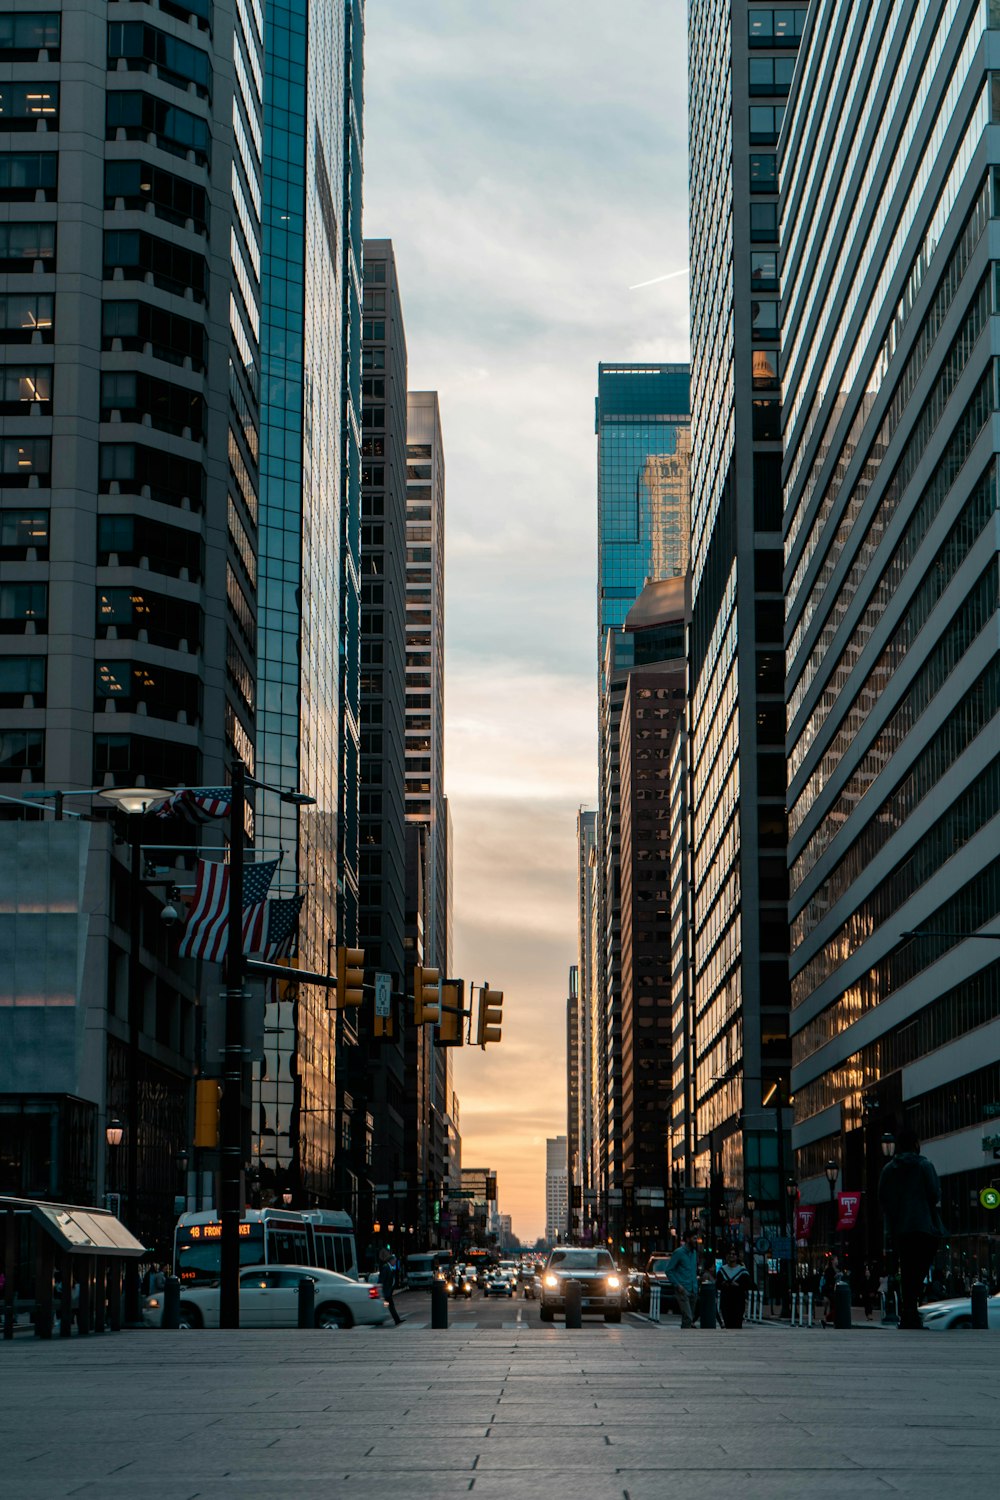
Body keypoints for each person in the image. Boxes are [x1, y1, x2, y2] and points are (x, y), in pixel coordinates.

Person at [878, 1125, 943, 1330]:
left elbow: (882, 1197)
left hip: (901, 1227)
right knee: (919, 1267)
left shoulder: (889, 1169)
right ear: (916, 1144)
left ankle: (908, 1310)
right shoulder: (924, 1165)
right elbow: (934, 1194)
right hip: (923, 1225)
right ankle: (910, 1309)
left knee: (907, 1267)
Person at [665, 1229, 700, 1328]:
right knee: (688, 1316)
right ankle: (685, 1336)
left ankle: (685, 1337)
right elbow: (669, 1270)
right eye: (694, 1238)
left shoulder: (694, 1253)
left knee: (688, 1318)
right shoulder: (679, 1252)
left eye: (696, 1238)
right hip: (683, 1289)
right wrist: (677, 1285)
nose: (696, 1241)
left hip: (693, 1289)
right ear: (688, 1239)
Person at [716, 1248, 751, 1329]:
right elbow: (717, 1284)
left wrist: (738, 1285)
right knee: (728, 1323)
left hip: (738, 1300)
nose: (731, 1256)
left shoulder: (742, 1271)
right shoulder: (722, 1270)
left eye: (734, 1254)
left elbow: (748, 1285)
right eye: (730, 1254)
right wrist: (723, 1284)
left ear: (737, 1257)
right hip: (726, 1300)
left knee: (737, 1323)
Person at [378, 1249, 403, 1325]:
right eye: (394, 1261)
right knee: (388, 1306)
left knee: (387, 1306)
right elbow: (382, 1280)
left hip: (387, 1292)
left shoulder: (389, 1267)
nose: (395, 1263)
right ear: (391, 1261)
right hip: (385, 1293)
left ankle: (396, 1320)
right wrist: (381, 1290)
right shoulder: (386, 1268)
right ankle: (396, 1320)